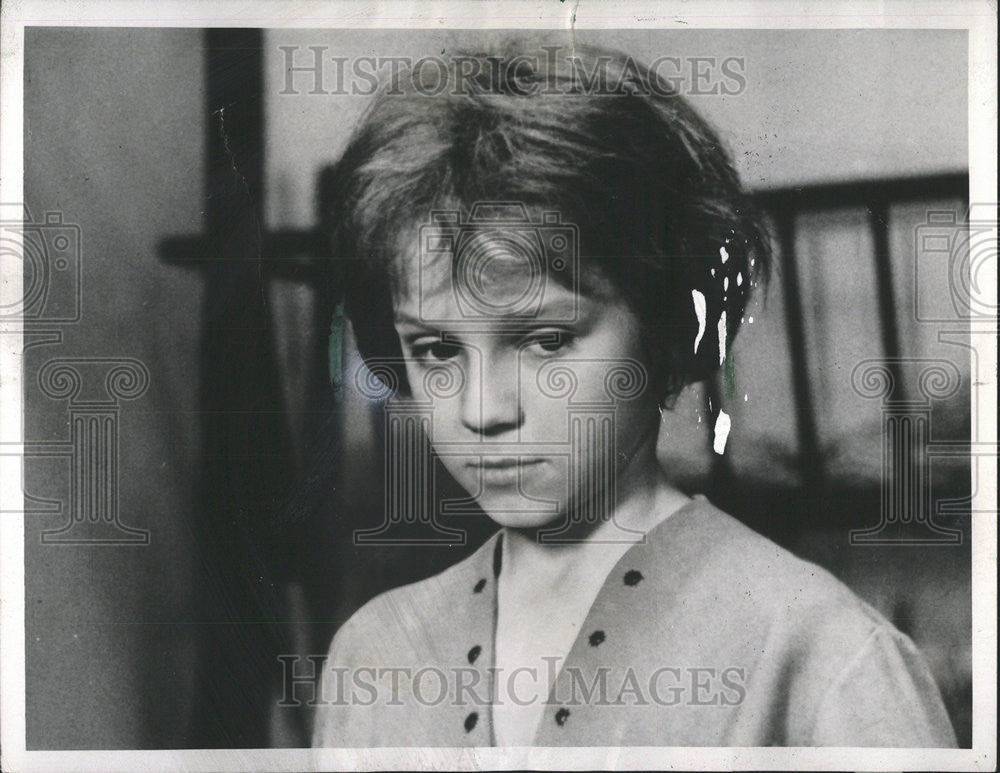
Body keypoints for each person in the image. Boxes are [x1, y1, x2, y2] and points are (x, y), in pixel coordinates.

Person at [310, 42, 957, 748]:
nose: (483, 410)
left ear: (669, 326)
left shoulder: (825, 656)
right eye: (437, 351)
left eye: (546, 341)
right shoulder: (371, 658)